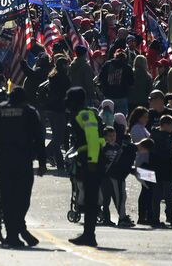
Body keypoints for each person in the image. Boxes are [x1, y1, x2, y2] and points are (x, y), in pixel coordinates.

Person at [0, 87, 46, 247]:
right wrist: (42, 162)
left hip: (3, 160)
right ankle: (17, 231)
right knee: (22, 198)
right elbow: (39, 138)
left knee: (8, 197)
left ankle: (14, 233)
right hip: (23, 160)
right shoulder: (29, 111)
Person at [66, 86, 104, 247]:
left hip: (92, 159)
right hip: (86, 158)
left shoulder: (86, 114)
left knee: (90, 199)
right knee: (89, 200)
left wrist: (92, 161)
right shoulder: (82, 113)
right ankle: (88, 234)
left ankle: (89, 235)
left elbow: (93, 139)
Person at [100, 125, 136, 227]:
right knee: (106, 199)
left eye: (114, 135)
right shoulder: (103, 149)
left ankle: (122, 217)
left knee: (118, 198)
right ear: (105, 137)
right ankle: (106, 219)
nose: (112, 137)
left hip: (115, 176)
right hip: (105, 177)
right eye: (110, 136)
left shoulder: (118, 147)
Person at [150, 115, 172, 228]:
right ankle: (171, 217)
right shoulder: (164, 136)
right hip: (166, 169)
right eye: (171, 126)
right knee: (169, 196)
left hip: (155, 168)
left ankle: (155, 218)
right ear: (165, 125)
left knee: (156, 196)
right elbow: (165, 153)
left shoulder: (153, 134)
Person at [98, 49, 134, 116]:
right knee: (121, 119)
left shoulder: (107, 65)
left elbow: (100, 78)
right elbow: (131, 83)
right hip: (122, 96)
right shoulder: (127, 67)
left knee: (107, 118)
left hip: (108, 95)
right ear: (125, 58)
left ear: (115, 56)